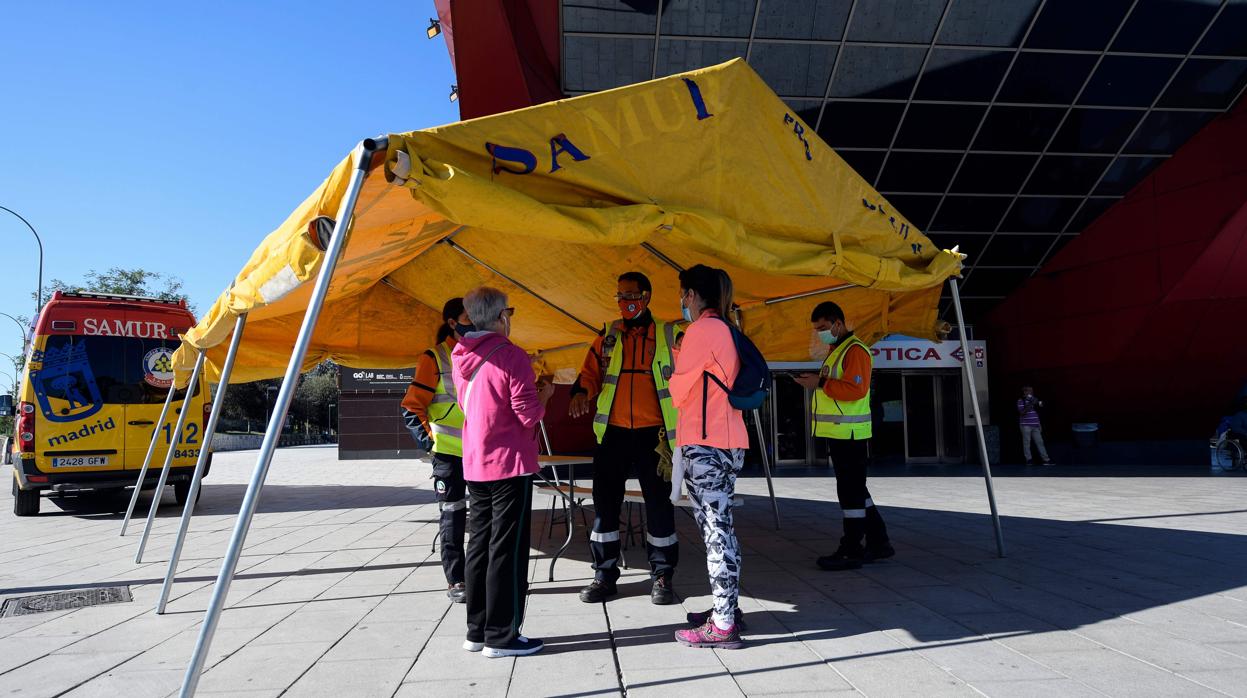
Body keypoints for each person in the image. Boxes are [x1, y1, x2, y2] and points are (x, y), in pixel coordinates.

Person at [568, 272, 681, 606]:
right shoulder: (607, 336)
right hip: (612, 433)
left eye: (629, 295)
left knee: (659, 505)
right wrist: (580, 392)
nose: (623, 301)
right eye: (619, 295)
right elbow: (590, 373)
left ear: (645, 297)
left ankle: (661, 575)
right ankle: (603, 574)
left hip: (654, 435)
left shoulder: (669, 334)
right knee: (604, 506)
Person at [453, 287, 555, 658]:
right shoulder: (512, 356)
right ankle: (502, 635)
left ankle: (476, 630)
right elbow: (527, 413)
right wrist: (545, 395)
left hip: (476, 461)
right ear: (500, 317)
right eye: (508, 312)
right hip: (510, 462)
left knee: (478, 544)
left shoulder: (460, 354)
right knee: (507, 549)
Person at [668, 264, 748, 650]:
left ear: (692, 295)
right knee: (722, 527)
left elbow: (680, 390)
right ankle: (725, 609)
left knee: (716, 531)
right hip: (727, 440)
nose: (682, 302)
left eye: (683, 295)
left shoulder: (702, 330)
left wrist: (677, 358)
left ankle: (723, 624)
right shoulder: (728, 329)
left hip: (705, 442)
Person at [794, 302, 893, 572]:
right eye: (817, 329)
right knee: (856, 488)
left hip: (849, 433)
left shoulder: (855, 350)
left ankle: (852, 549)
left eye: (824, 328)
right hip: (841, 433)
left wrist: (821, 383)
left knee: (850, 492)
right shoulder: (837, 350)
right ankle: (878, 540)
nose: (820, 333)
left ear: (838, 323)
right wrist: (818, 381)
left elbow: (855, 391)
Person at [400, 298, 471, 603]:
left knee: (485, 517)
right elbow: (412, 407)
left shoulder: (483, 352)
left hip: (481, 452)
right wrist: (432, 444)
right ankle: (457, 580)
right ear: (453, 322)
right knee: (453, 516)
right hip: (449, 454)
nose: (476, 322)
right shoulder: (435, 357)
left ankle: (480, 578)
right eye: (469, 317)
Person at [1018, 386, 1052, 465]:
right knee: (1027, 443)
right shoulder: (1021, 400)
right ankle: (1028, 460)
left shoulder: (1034, 399)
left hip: (1036, 425)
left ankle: (1046, 460)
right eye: (1029, 391)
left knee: (1040, 442)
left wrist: (1037, 402)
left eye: (1032, 391)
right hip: (1026, 425)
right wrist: (1031, 403)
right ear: (1025, 392)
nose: (1031, 393)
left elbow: (1042, 406)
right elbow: (1022, 413)